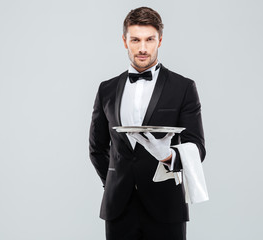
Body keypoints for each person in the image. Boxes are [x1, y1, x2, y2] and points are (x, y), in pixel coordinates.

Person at [89, 6, 206, 240]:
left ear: (160, 40)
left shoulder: (183, 87)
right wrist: (114, 182)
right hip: (118, 207)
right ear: (125, 41)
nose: (142, 48)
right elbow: (97, 147)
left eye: (149, 39)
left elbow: (197, 147)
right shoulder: (107, 89)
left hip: (166, 206)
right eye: (135, 40)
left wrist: (168, 155)